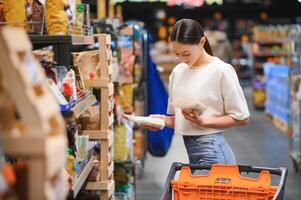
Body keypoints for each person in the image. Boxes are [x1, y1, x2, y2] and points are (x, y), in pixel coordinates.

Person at [146, 19, 250, 172]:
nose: (182, 59)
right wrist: (160, 121)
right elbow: (183, 120)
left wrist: (204, 122)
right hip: (192, 152)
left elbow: (242, 118)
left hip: (213, 153)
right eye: (177, 54)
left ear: (202, 42)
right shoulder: (178, 72)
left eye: (186, 53)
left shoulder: (221, 70)